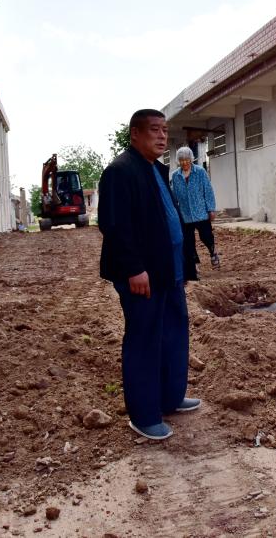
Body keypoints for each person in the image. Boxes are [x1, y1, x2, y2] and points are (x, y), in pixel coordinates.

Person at [98, 109, 199, 441]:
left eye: (165, 130)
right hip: (143, 275)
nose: (162, 136)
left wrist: (185, 265)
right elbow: (114, 226)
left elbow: (169, 219)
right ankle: (144, 416)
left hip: (169, 270)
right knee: (144, 340)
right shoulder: (120, 171)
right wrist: (133, 268)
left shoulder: (156, 169)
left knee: (173, 334)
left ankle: (170, 398)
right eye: (154, 130)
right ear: (135, 134)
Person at [170, 146, 220, 279]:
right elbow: (174, 195)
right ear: (178, 161)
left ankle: (213, 252)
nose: (184, 162)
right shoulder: (175, 176)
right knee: (188, 242)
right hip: (185, 214)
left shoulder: (200, 172)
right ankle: (194, 265)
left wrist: (211, 209)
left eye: (187, 159)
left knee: (206, 236)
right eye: (182, 160)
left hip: (201, 212)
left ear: (191, 159)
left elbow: (208, 191)